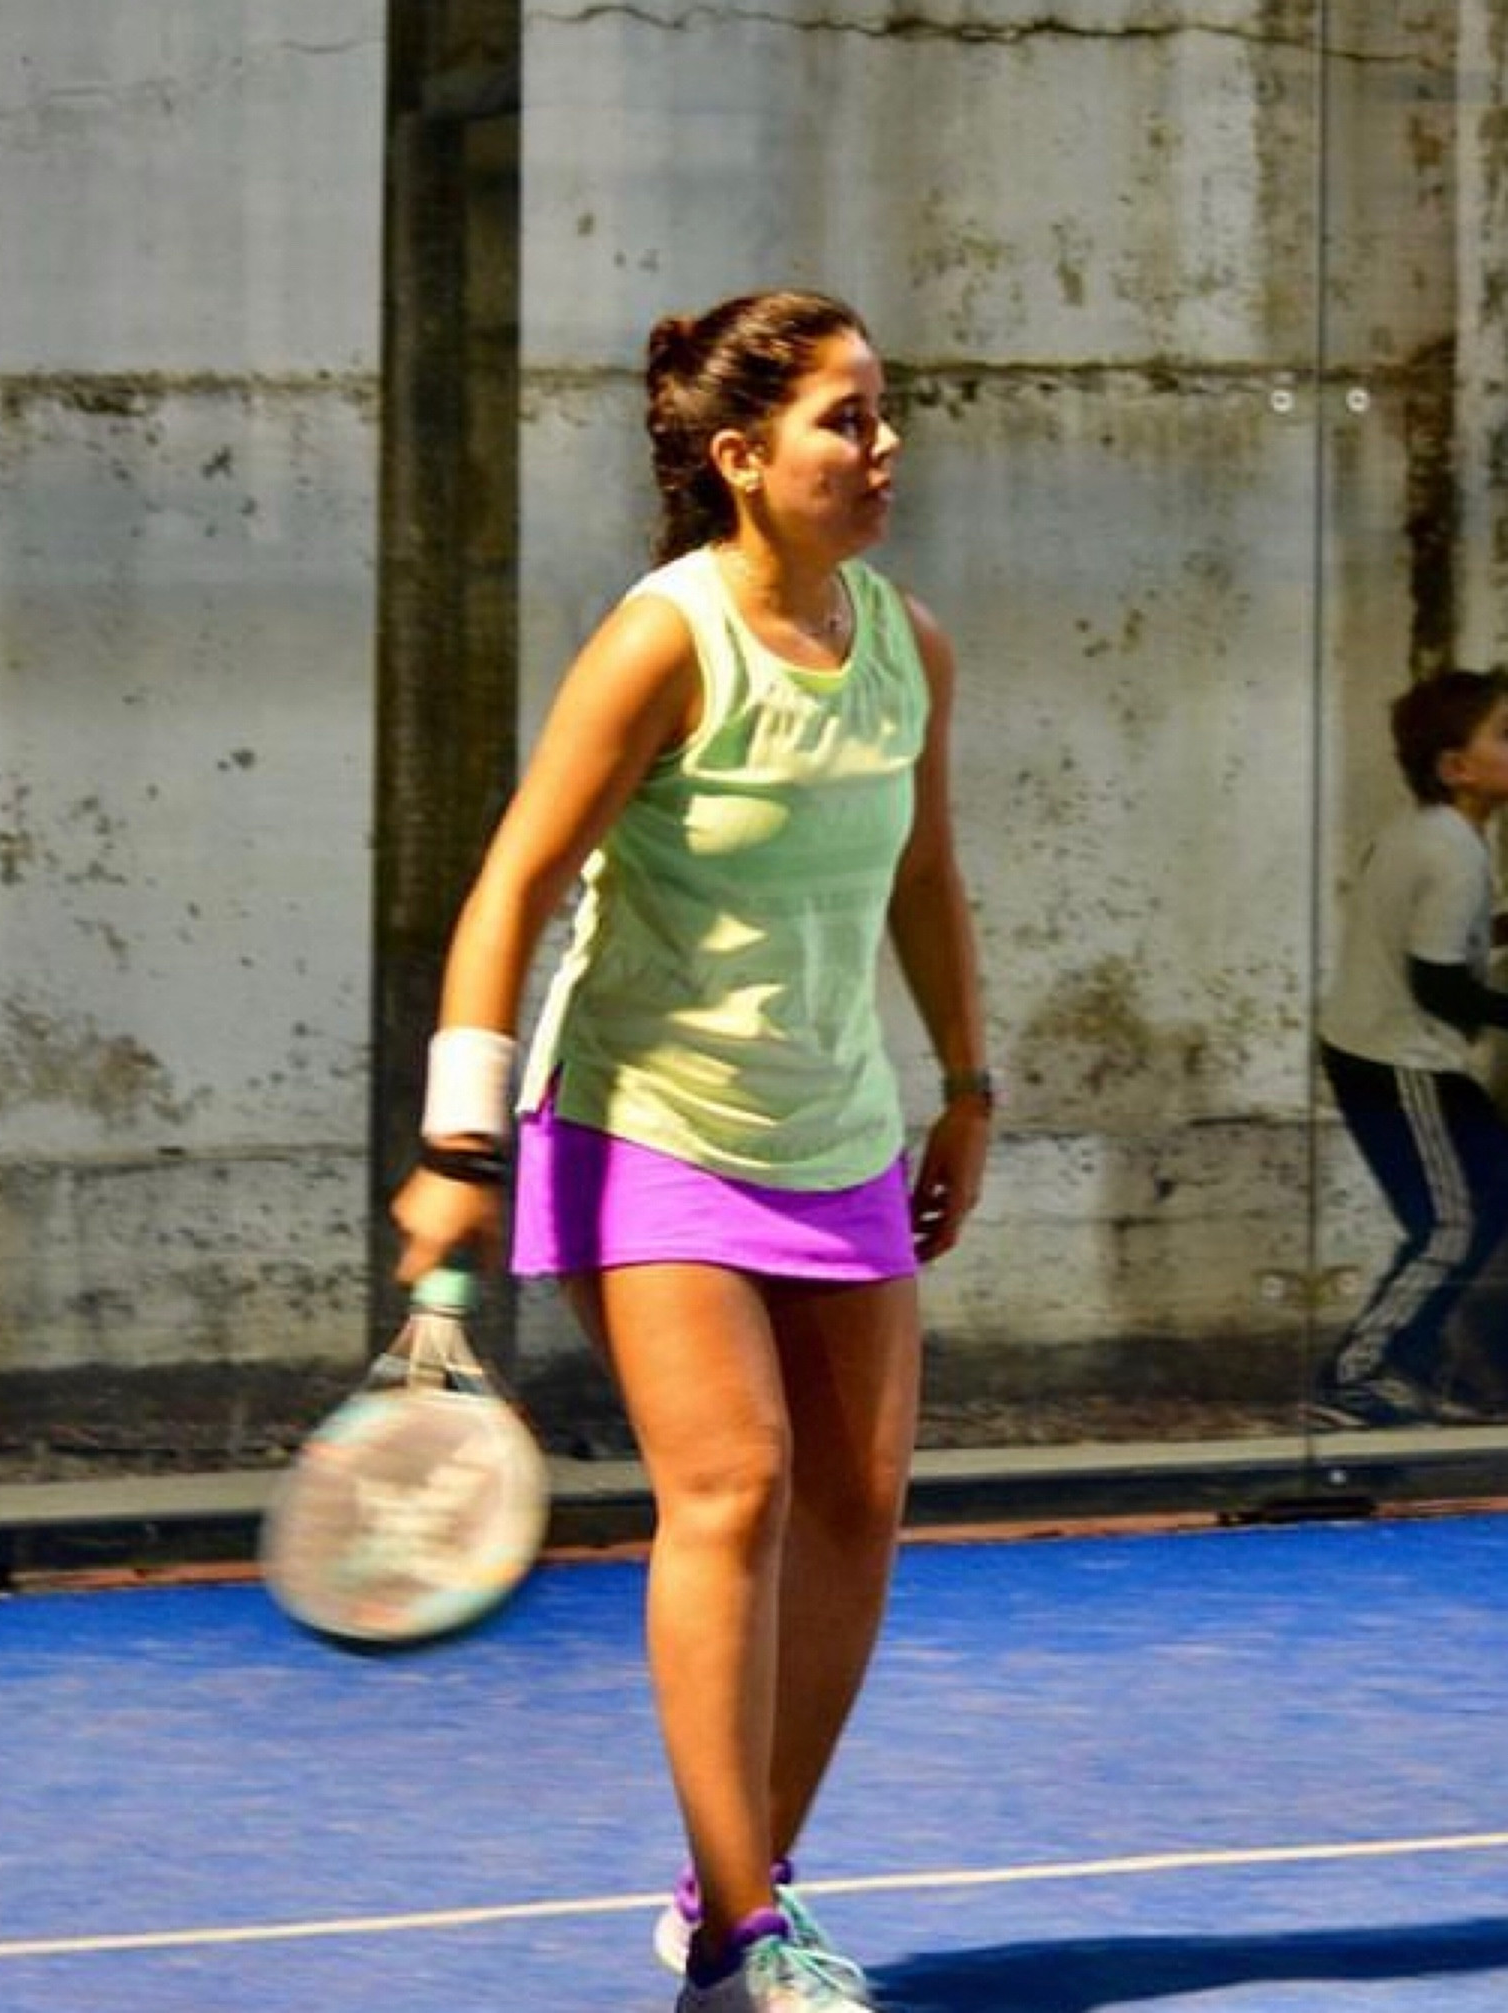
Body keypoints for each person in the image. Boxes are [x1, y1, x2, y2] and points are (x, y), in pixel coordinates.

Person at [391, 289, 989, 2012]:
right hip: (639, 1120)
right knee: (732, 1484)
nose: (882, 445)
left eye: (881, 411)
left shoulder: (908, 645)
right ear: (739, 456)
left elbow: (921, 874)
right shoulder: (661, 640)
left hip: (836, 1128)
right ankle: (740, 1939)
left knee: (857, 1503)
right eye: (844, 419)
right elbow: (515, 882)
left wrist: (964, 1086)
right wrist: (458, 1135)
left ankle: (738, 1877)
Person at [1314, 667, 1508, 1429]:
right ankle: (1354, 1373)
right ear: (1455, 767)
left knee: (1488, 1194)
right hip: (1399, 1059)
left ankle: (1412, 1364)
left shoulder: (1429, 833)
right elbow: (1440, 986)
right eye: (1504, 735)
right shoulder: (1450, 852)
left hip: (1383, 1050)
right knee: (1452, 1223)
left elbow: (1442, 940)